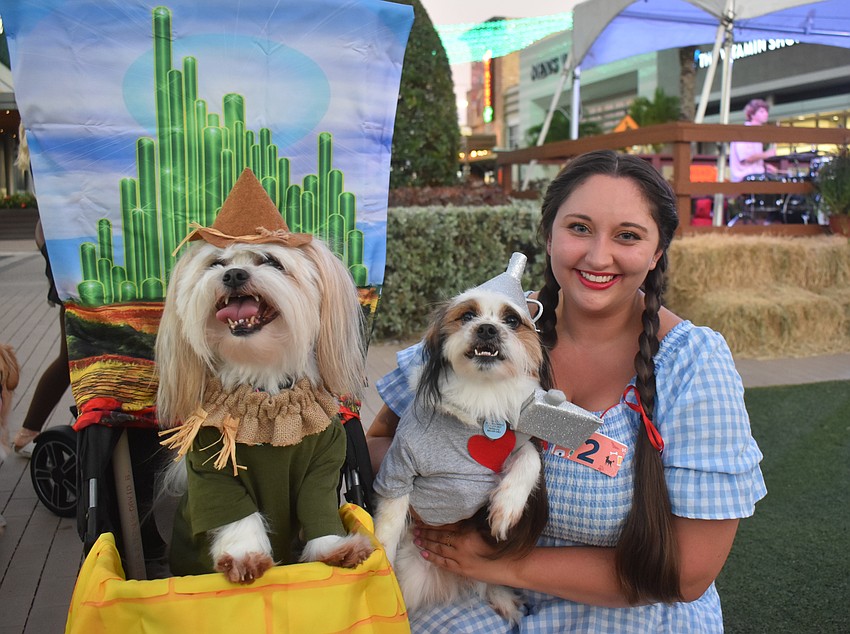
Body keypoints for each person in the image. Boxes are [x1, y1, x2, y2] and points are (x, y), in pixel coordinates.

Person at [367, 149, 766, 632]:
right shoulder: (492, 330)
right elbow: (380, 440)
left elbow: (687, 572)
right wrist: (436, 492)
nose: (599, 256)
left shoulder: (693, 362)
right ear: (549, 236)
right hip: (470, 589)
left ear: (658, 251)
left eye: (628, 236)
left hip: (623, 607)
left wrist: (502, 563)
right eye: (579, 228)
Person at [12, 219, 70, 455]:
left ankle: (28, 431)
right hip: (80, 272)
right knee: (72, 358)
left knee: (71, 358)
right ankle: (28, 432)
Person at [729, 98, 777, 182]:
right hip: (744, 178)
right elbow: (746, 158)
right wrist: (767, 154)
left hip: (755, 176)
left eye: (766, 111)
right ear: (752, 114)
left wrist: (765, 167)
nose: (766, 114)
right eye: (761, 111)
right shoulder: (743, 132)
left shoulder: (756, 134)